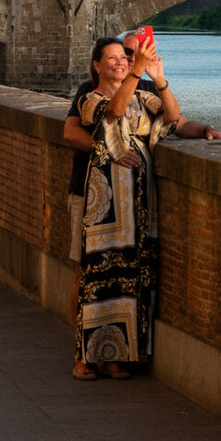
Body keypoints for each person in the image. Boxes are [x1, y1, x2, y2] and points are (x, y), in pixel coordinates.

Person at [73, 37, 180, 379]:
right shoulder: (91, 98)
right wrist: (136, 70)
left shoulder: (143, 96)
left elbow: (174, 117)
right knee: (99, 274)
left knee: (131, 275)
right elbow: (114, 112)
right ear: (97, 65)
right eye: (112, 58)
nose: (120, 62)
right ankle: (85, 358)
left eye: (125, 57)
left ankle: (117, 354)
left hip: (139, 201)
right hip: (106, 201)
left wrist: (159, 78)